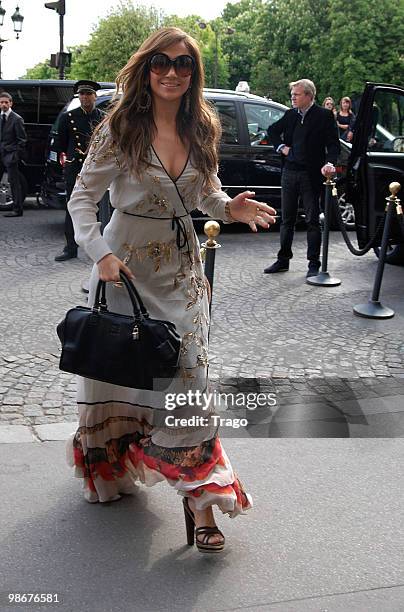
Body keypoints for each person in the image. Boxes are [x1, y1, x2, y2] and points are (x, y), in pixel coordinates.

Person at [66, 27, 276, 553]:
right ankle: (115, 469)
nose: (172, 72)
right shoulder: (119, 128)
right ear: (146, 66)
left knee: (192, 382)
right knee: (124, 372)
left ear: (193, 73)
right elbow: (80, 202)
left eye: (184, 64)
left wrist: (230, 208)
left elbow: (205, 193)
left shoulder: (202, 125)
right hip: (125, 271)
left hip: (182, 274)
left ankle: (202, 500)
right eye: (161, 61)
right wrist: (102, 256)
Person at [264, 79, 340, 278]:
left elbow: (333, 145)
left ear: (308, 95)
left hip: (311, 175)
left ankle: (313, 263)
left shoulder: (324, 116)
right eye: (292, 94)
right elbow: (272, 130)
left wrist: (329, 162)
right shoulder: (290, 115)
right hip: (289, 173)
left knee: (312, 220)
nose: (292, 98)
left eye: (296, 94)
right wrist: (281, 147)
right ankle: (283, 260)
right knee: (286, 220)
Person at [54, 80, 104, 261]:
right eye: (82, 94)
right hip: (74, 167)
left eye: (88, 94)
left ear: (94, 96)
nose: (85, 97)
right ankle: (70, 248)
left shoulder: (103, 117)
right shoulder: (69, 117)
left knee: (97, 208)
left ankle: (98, 249)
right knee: (72, 206)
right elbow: (60, 143)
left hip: (97, 168)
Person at [0, 92, 27, 218]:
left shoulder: (17, 119)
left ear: (11, 103)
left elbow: (22, 140)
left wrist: (14, 155)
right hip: (1, 154)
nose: (4, 104)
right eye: (1, 102)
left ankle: (17, 209)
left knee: (14, 182)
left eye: (6, 102)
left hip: (10, 155)